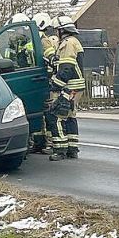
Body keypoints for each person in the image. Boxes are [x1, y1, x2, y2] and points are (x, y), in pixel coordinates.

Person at [46, 15, 85, 161]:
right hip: (76, 87)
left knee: (56, 115)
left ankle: (60, 150)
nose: (56, 33)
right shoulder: (74, 42)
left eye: (57, 30)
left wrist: (55, 84)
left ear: (62, 30)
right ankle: (72, 149)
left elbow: (67, 68)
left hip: (70, 87)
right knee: (69, 116)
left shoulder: (67, 44)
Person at [28, 13, 57, 154]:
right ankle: (41, 142)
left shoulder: (39, 39)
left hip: (43, 80)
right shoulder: (39, 39)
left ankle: (47, 142)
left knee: (47, 113)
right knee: (43, 112)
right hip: (42, 79)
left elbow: (51, 58)